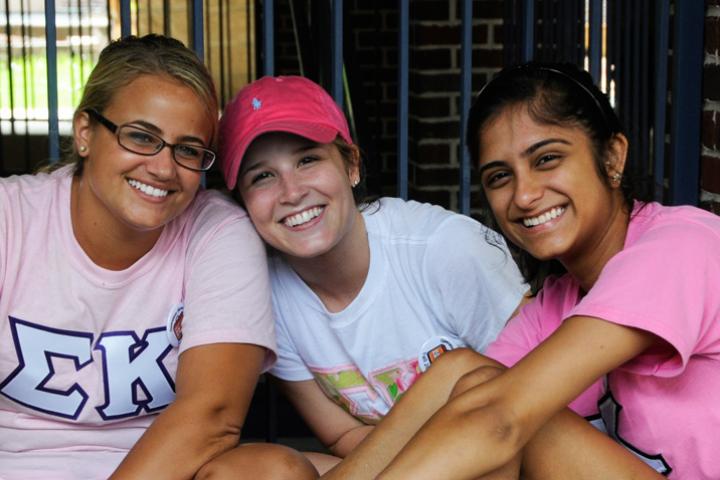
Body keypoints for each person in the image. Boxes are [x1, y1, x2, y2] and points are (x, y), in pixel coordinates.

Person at [322, 62, 718, 479]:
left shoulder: (680, 247)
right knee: (464, 375)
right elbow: (461, 401)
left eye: (547, 159)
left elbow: (499, 419)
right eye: (500, 177)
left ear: (613, 156)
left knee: (512, 415)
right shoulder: (556, 306)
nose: (525, 195)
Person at [0, 34, 315, 480]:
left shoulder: (217, 232)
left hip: (163, 470)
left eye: (187, 149)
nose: (164, 169)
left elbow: (213, 416)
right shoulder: (10, 220)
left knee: (272, 470)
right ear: (85, 132)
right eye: (141, 137)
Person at [216, 75, 528, 473]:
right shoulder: (268, 295)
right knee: (246, 470)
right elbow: (342, 435)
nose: (291, 192)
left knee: (469, 380)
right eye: (262, 176)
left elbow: (527, 400)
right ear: (241, 203)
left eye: (308, 159)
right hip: (388, 466)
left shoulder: (444, 248)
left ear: (352, 166)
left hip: (498, 458)